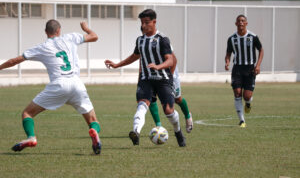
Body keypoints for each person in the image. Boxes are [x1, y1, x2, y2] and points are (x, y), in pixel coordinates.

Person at [0, 20, 102, 154]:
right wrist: (86, 28)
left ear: (45, 32)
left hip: (59, 85)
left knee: (27, 113)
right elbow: (94, 36)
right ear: (59, 30)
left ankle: (31, 137)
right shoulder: (70, 38)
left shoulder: (42, 47)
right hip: (77, 83)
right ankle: (95, 133)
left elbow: (14, 61)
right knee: (93, 120)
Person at [105, 9, 186, 147]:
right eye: (142, 23)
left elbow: (170, 60)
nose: (143, 25)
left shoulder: (163, 39)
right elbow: (135, 56)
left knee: (168, 111)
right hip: (146, 79)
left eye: (146, 22)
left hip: (163, 79)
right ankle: (135, 132)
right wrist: (117, 65)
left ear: (154, 22)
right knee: (142, 105)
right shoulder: (140, 40)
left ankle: (178, 132)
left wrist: (158, 67)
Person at [225, 14, 264, 128]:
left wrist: (258, 66)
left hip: (250, 69)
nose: (241, 23)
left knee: (247, 96)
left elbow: (261, 50)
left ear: (246, 23)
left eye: (243, 21)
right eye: (239, 21)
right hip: (237, 68)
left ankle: (248, 103)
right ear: (236, 24)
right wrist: (227, 62)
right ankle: (242, 121)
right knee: (237, 93)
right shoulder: (232, 39)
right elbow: (228, 53)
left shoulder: (253, 37)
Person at [149, 53, 193, 133]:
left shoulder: (163, 41)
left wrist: (170, 77)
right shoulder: (144, 42)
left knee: (177, 99)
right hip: (153, 73)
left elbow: (173, 60)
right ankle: (158, 126)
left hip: (170, 73)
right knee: (151, 98)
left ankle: (188, 115)